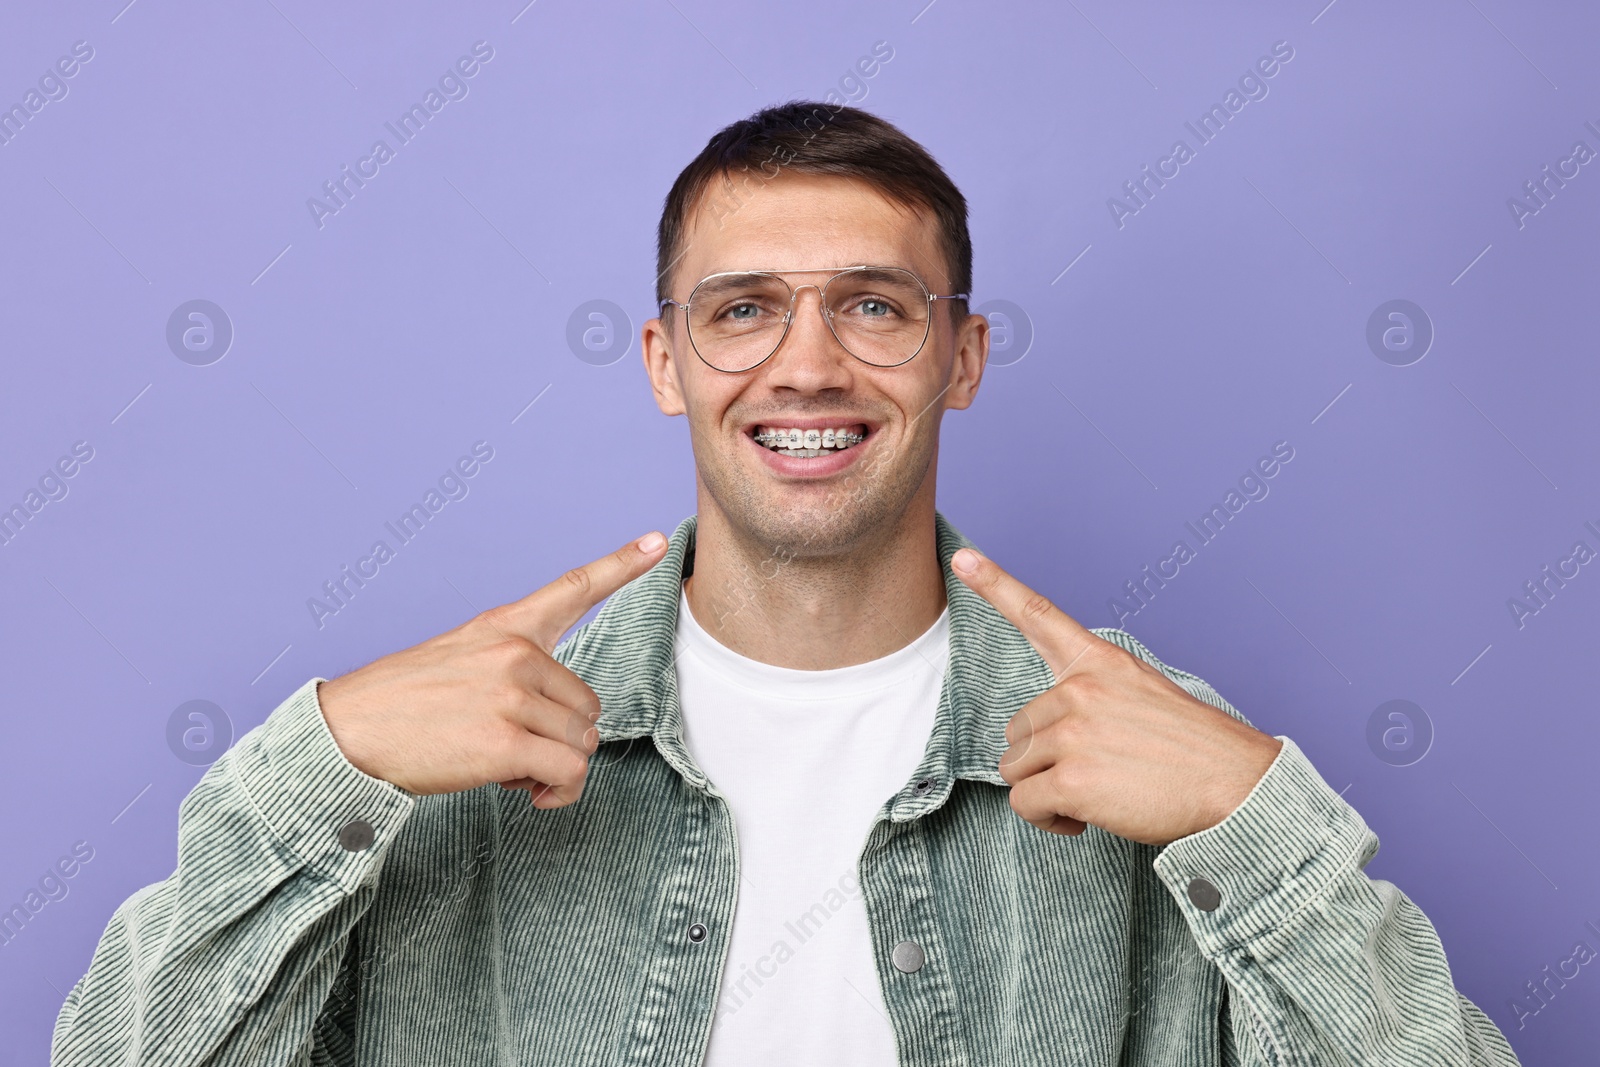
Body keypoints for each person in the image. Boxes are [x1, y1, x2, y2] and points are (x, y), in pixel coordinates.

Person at [52, 101, 1522, 1066]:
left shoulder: (1149, 744)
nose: (806, 364)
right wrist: (322, 770)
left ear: (962, 355)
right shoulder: (429, 766)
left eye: (873, 308)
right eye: (743, 310)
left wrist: (1256, 822)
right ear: (663, 361)